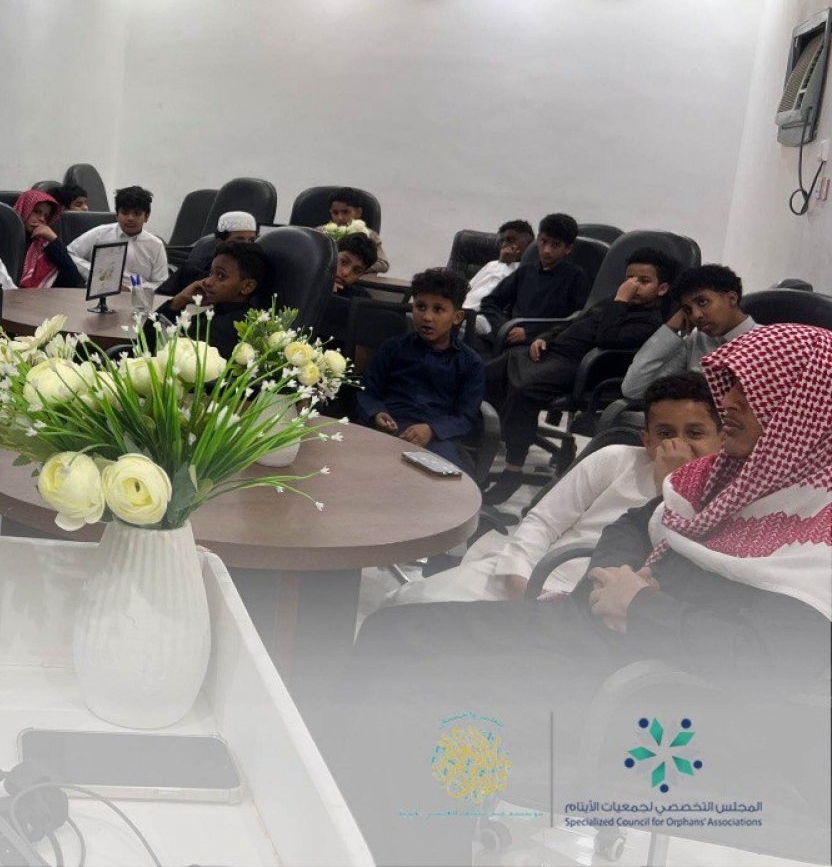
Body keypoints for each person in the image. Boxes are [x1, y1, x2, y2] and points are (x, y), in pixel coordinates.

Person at [339, 323, 832, 867]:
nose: (729, 401)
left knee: (415, 710)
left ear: (802, 408)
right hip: (594, 632)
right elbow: (633, 522)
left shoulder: (820, 532)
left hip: (659, 696)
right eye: (729, 385)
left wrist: (640, 606)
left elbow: (761, 664)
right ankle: (342, 833)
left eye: (749, 390)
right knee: (389, 632)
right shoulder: (735, 474)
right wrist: (612, 580)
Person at [387, 372, 721, 604]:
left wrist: (671, 488)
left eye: (695, 433)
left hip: (590, 604)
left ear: (721, 438)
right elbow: (543, 522)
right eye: (665, 433)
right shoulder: (616, 460)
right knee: (405, 604)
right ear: (646, 440)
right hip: (527, 573)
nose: (678, 445)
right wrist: (520, 580)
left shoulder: (726, 498)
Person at [484, 248, 677, 499]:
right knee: (487, 375)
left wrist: (620, 300)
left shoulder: (648, 322)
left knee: (523, 389)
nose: (633, 286)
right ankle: (477, 446)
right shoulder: (611, 303)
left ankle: (513, 469)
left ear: (662, 289)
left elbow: (606, 338)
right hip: (551, 355)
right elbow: (574, 322)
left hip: (579, 368)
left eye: (644, 281)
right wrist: (545, 337)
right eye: (629, 278)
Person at [356, 268, 485, 475]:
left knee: (441, 482)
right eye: (421, 307)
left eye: (438, 309)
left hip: (436, 439)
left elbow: (465, 417)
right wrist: (376, 413)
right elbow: (367, 390)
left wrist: (432, 430)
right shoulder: (393, 348)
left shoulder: (471, 363)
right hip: (387, 428)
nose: (427, 317)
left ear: (457, 317)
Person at [621, 263, 757, 400]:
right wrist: (670, 329)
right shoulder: (695, 340)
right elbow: (634, 389)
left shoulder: (765, 343)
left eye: (702, 302)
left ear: (732, 299)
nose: (696, 315)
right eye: (687, 309)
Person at [477, 212, 590, 349]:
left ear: (568, 248)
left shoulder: (575, 277)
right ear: (538, 239)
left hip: (541, 344)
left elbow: (576, 319)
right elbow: (489, 302)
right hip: (507, 337)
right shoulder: (525, 272)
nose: (547, 250)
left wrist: (531, 333)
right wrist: (505, 327)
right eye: (544, 242)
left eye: (555, 245)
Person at [154, 241, 271, 356]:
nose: (207, 282)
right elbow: (149, 340)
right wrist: (179, 300)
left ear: (247, 287)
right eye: (211, 273)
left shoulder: (230, 330)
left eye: (221, 276)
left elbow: (154, 348)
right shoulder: (216, 312)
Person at [68, 185, 170, 286]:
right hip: (100, 289)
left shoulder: (156, 245)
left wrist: (131, 289)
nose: (130, 218)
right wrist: (95, 273)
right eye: (125, 213)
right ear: (117, 215)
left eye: (137, 213)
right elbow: (69, 253)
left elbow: (160, 282)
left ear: (146, 217)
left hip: (137, 294)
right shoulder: (100, 233)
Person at [158, 211, 258, 298]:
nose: (247, 245)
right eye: (239, 240)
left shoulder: (257, 274)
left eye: (251, 240)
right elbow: (161, 298)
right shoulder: (193, 270)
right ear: (220, 242)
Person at [464, 220, 534, 336]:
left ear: (530, 243)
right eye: (502, 241)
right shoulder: (492, 264)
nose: (504, 245)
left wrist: (504, 264)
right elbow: (468, 289)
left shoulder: (528, 271)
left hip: (484, 320)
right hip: (461, 312)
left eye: (510, 240)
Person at [13, 189, 84, 289]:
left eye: (46, 216)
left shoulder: (43, 243)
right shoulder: (6, 239)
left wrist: (53, 239)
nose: (42, 219)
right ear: (24, 209)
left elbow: (74, 280)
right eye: (37, 212)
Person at [321, 186, 389, 275]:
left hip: (355, 280)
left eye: (345, 212)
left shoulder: (369, 235)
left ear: (358, 212)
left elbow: (383, 264)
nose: (340, 217)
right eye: (335, 213)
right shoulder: (321, 233)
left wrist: (357, 268)